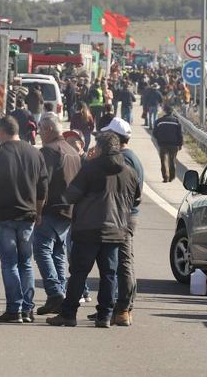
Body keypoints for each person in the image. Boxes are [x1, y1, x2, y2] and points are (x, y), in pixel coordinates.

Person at [47, 132, 139, 328]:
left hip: (88, 229)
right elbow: (136, 199)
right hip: (116, 230)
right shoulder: (129, 172)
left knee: (79, 273)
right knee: (109, 274)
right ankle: (104, 316)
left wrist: (57, 202)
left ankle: (69, 314)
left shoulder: (91, 169)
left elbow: (72, 195)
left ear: (100, 148)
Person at [0, 116, 48, 324]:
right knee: (26, 263)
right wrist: (39, 212)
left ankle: (14, 308)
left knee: (9, 263)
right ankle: (27, 309)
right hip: (28, 216)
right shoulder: (35, 153)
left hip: (3, 215)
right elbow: (43, 189)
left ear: (1, 131)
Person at [33, 115, 81, 315]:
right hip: (69, 210)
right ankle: (59, 294)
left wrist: (37, 211)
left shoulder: (48, 151)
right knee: (59, 253)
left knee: (42, 250)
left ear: (48, 129)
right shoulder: (72, 151)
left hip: (51, 208)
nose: (39, 134)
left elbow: (42, 183)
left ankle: (54, 293)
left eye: (40, 130)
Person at [98, 117, 144, 326]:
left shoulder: (123, 160)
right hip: (127, 212)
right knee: (121, 260)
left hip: (122, 214)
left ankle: (124, 307)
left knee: (123, 261)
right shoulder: (132, 157)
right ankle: (118, 305)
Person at [152, 105, 184, 183]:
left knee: (163, 161)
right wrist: (180, 144)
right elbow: (180, 134)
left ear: (164, 111)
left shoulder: (159, 121)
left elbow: (154, 133)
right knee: (172, 160)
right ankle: (172, 177)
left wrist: (159, 140)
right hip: (174, 145)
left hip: (163, 144)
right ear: (172, 112)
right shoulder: (177, 121)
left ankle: (165, 177)